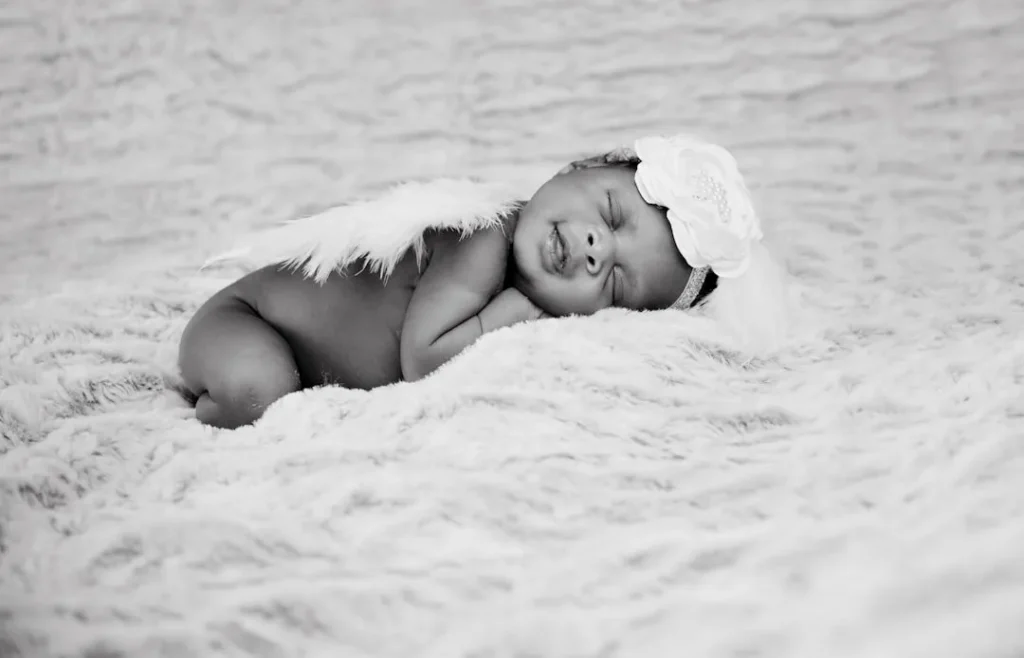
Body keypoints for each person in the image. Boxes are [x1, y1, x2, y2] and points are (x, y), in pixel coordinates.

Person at [179, 134, 789, 429]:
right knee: (258, 394)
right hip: (247, 324)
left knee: (274, 393)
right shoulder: (484, 238)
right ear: (576, 167)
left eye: (615, 284)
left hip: (286, 352)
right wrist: (519, 310)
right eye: (608, 215)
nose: (595, 251)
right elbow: (423, 360)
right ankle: (193, 407)